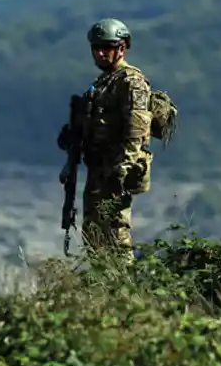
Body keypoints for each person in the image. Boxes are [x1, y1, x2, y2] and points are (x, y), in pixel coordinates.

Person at [58, 18, 154, 261]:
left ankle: (125, 288)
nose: (100, 53)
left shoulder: (131, 82)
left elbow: (136, 131)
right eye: (96, 48)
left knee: (115, 234)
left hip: (115, 172)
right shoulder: (103, 83)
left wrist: (122, 170)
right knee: (94, 235)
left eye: (107, 48)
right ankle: (105, 287)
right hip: (97, 169)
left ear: (122, 48)